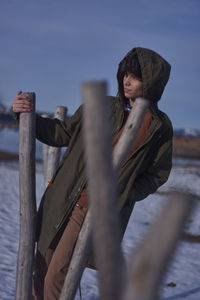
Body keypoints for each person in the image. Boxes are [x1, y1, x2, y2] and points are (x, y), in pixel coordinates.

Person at [12, 47, 173, 300]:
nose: (127, 81)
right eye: (125, 74)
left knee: (58, 275)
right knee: (41, 267)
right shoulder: (102, 106)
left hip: (93, 211)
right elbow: (62, 133)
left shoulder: (158, 126)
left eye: (136, 76)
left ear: (152, 80)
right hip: (63, 197)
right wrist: (26, 114)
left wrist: (128, 192)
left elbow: (158, 173)